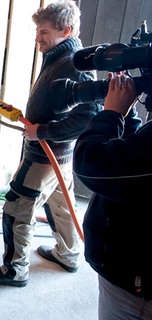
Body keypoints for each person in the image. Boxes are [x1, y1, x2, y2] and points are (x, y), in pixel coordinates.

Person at [0, 1, 100, 287]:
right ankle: (69, 255)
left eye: (44, 32)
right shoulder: (60, 58)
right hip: (56, 156)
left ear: (66, 30)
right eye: (37, 31)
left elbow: (88, 118)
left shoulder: (75, 64)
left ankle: (14, 270)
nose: (38, 38)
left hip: (44, 157)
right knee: (60, 205)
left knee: (16, 208)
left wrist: (41, 132)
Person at [73, 72, 152, 319]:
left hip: (135, 288)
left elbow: (91, 163)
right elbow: (136, 156)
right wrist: (127, 118)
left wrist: (111, 114)